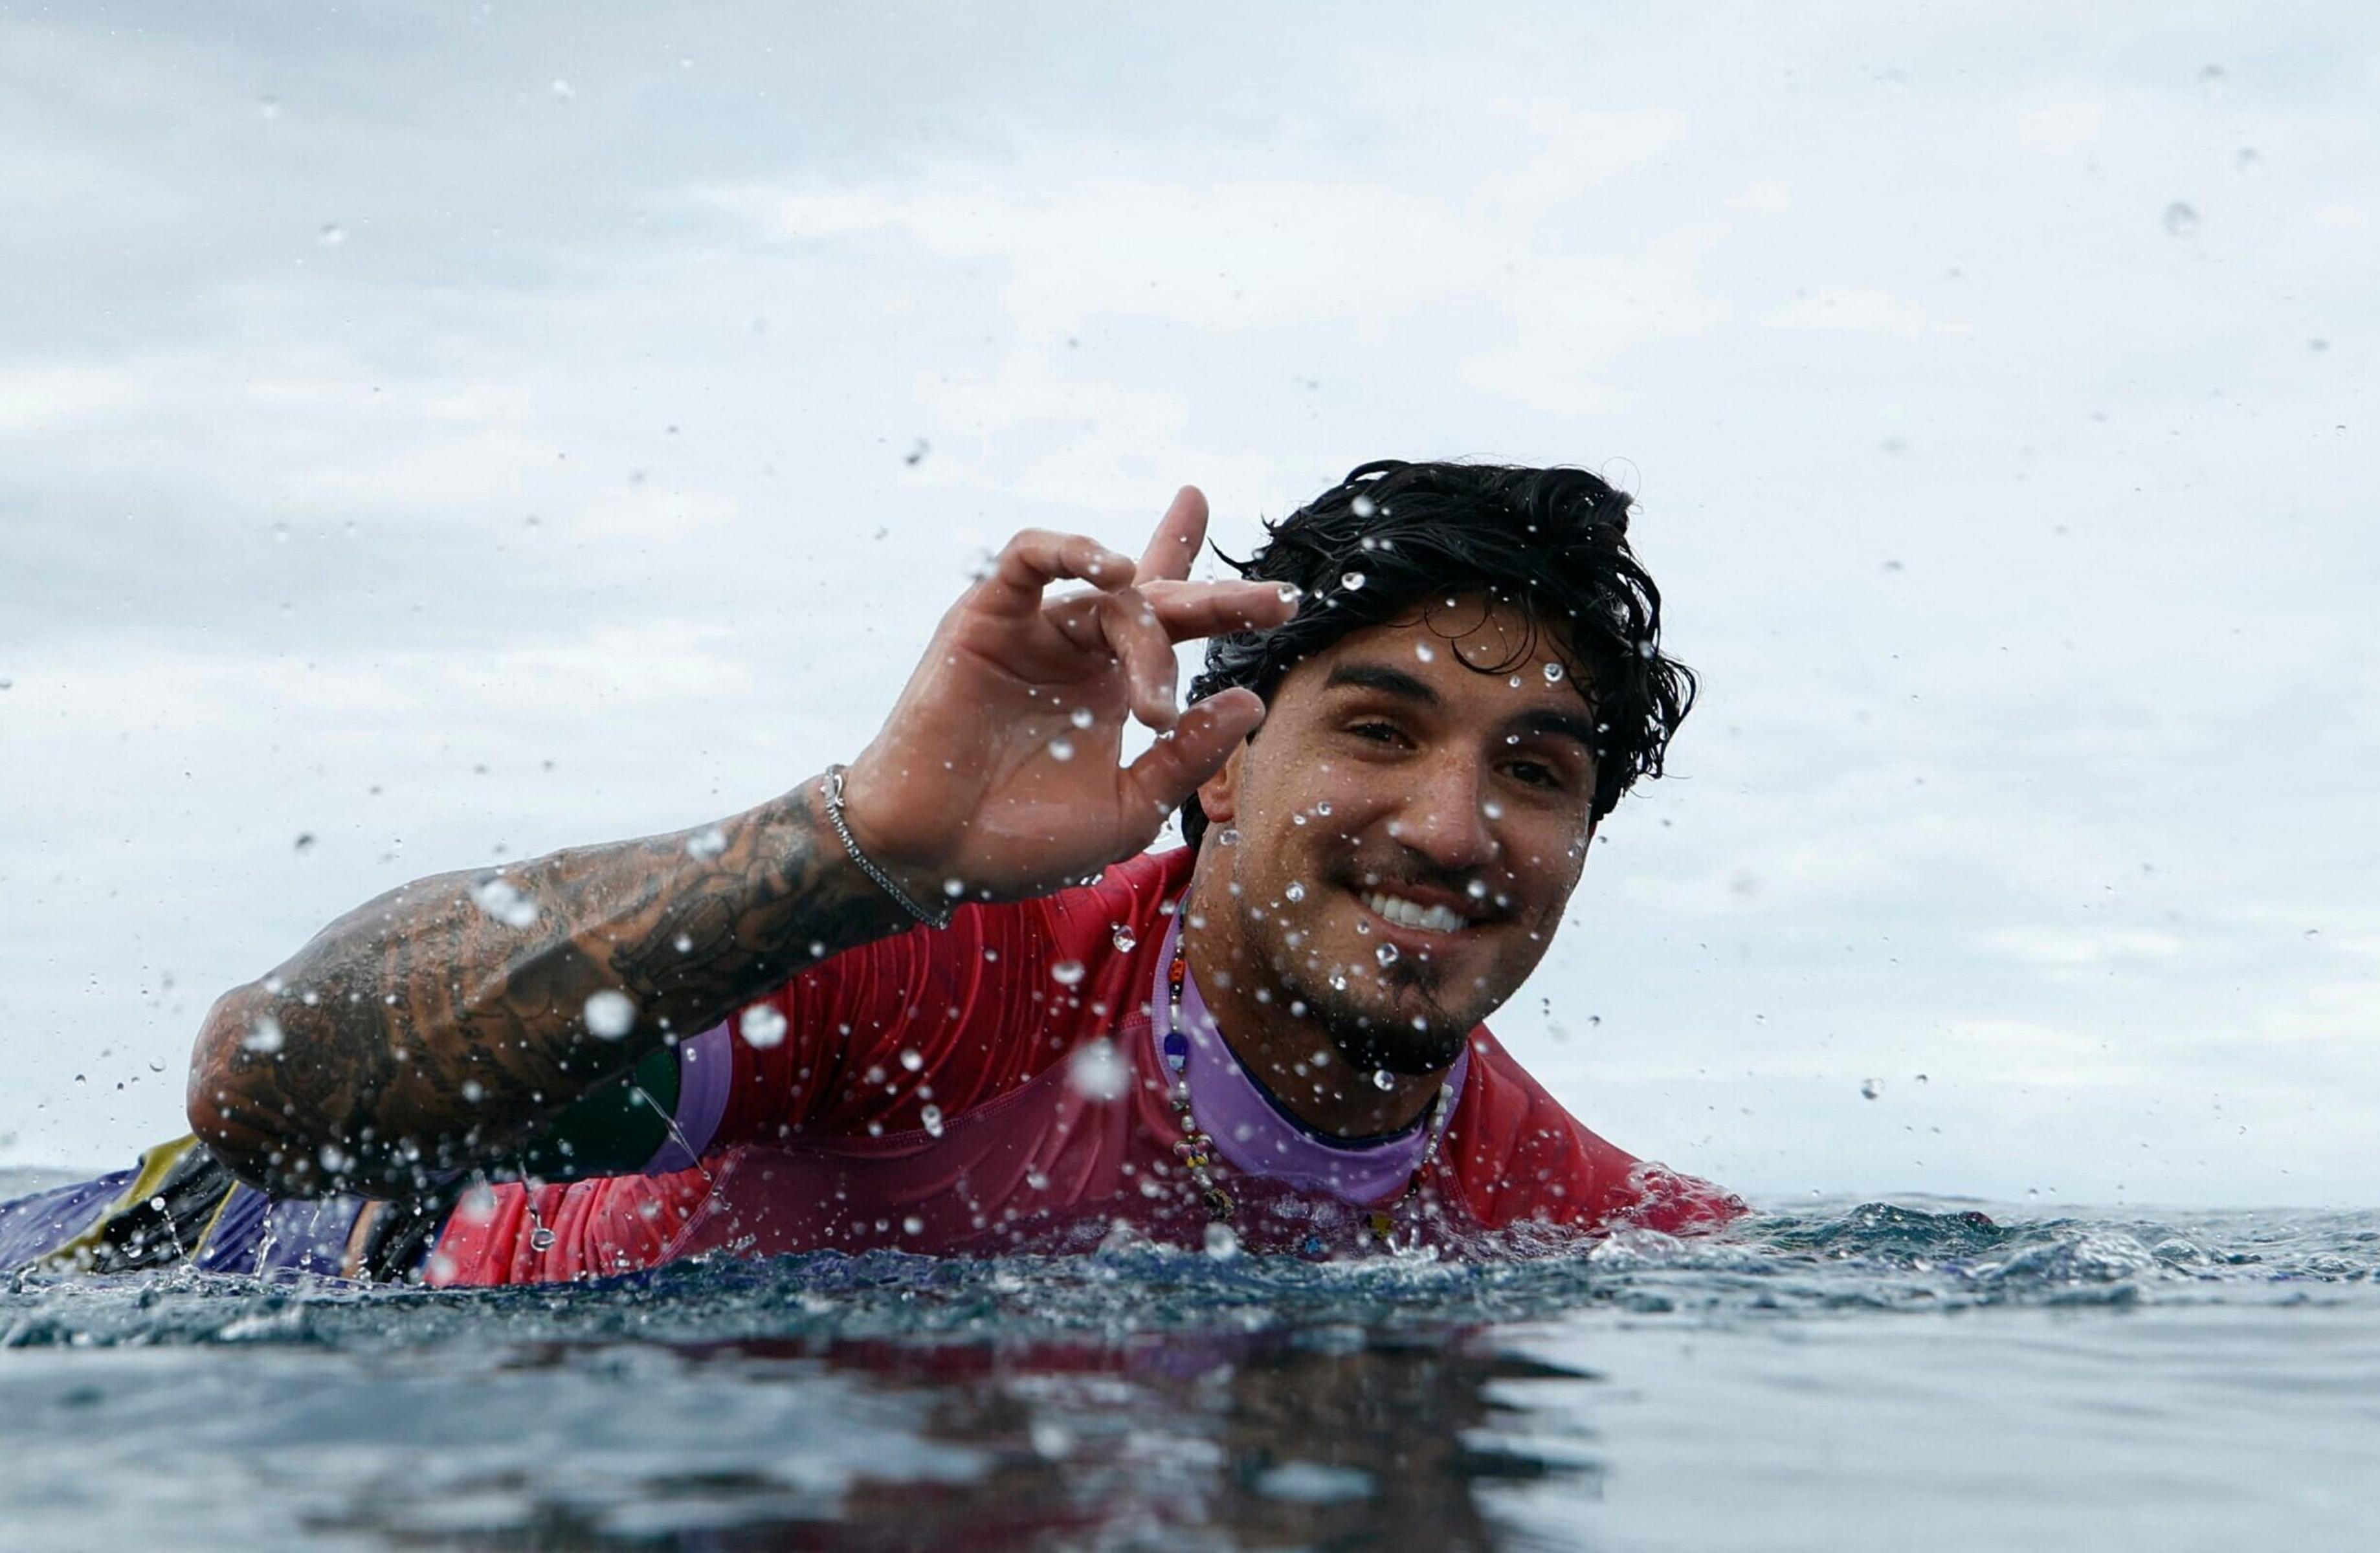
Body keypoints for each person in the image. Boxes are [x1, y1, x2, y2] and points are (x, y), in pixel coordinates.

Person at [0, 459, 1742, 1284]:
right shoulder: (959, 982)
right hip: (270, 1288)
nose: (1454, 827)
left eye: (1536, 769)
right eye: (1377, 728)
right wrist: (864, 848)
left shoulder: (1574, 1211)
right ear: (1217, 772)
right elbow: (272, 1087)